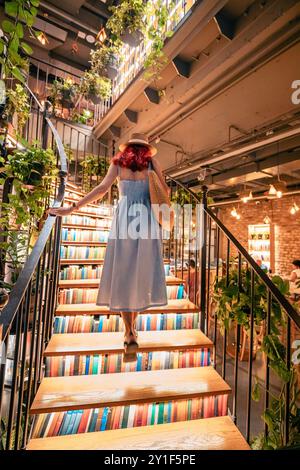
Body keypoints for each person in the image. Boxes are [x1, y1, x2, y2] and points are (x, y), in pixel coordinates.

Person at [49, 133, 168, 361]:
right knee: (140, 274)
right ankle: (133, 330)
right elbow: (164, 192)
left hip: (124, 219)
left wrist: (72, 208)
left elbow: (102, 188)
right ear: (146, 149)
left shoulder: (118, 163)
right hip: (146, 221)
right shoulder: (152, 163)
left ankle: (128, 331)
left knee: (122, 274)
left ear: (127, 147)